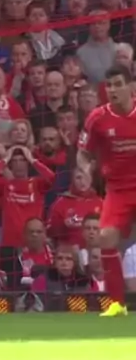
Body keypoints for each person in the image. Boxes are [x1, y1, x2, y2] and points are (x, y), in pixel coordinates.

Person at [77, 65, 136, 316]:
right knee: (105, 238)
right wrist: (86, 169)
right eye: (109, 85)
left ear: (131, 87)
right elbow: (83, 152)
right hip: (118, 189)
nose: (112, 90)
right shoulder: (98, 118)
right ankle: (117, 304)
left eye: (118, 84)